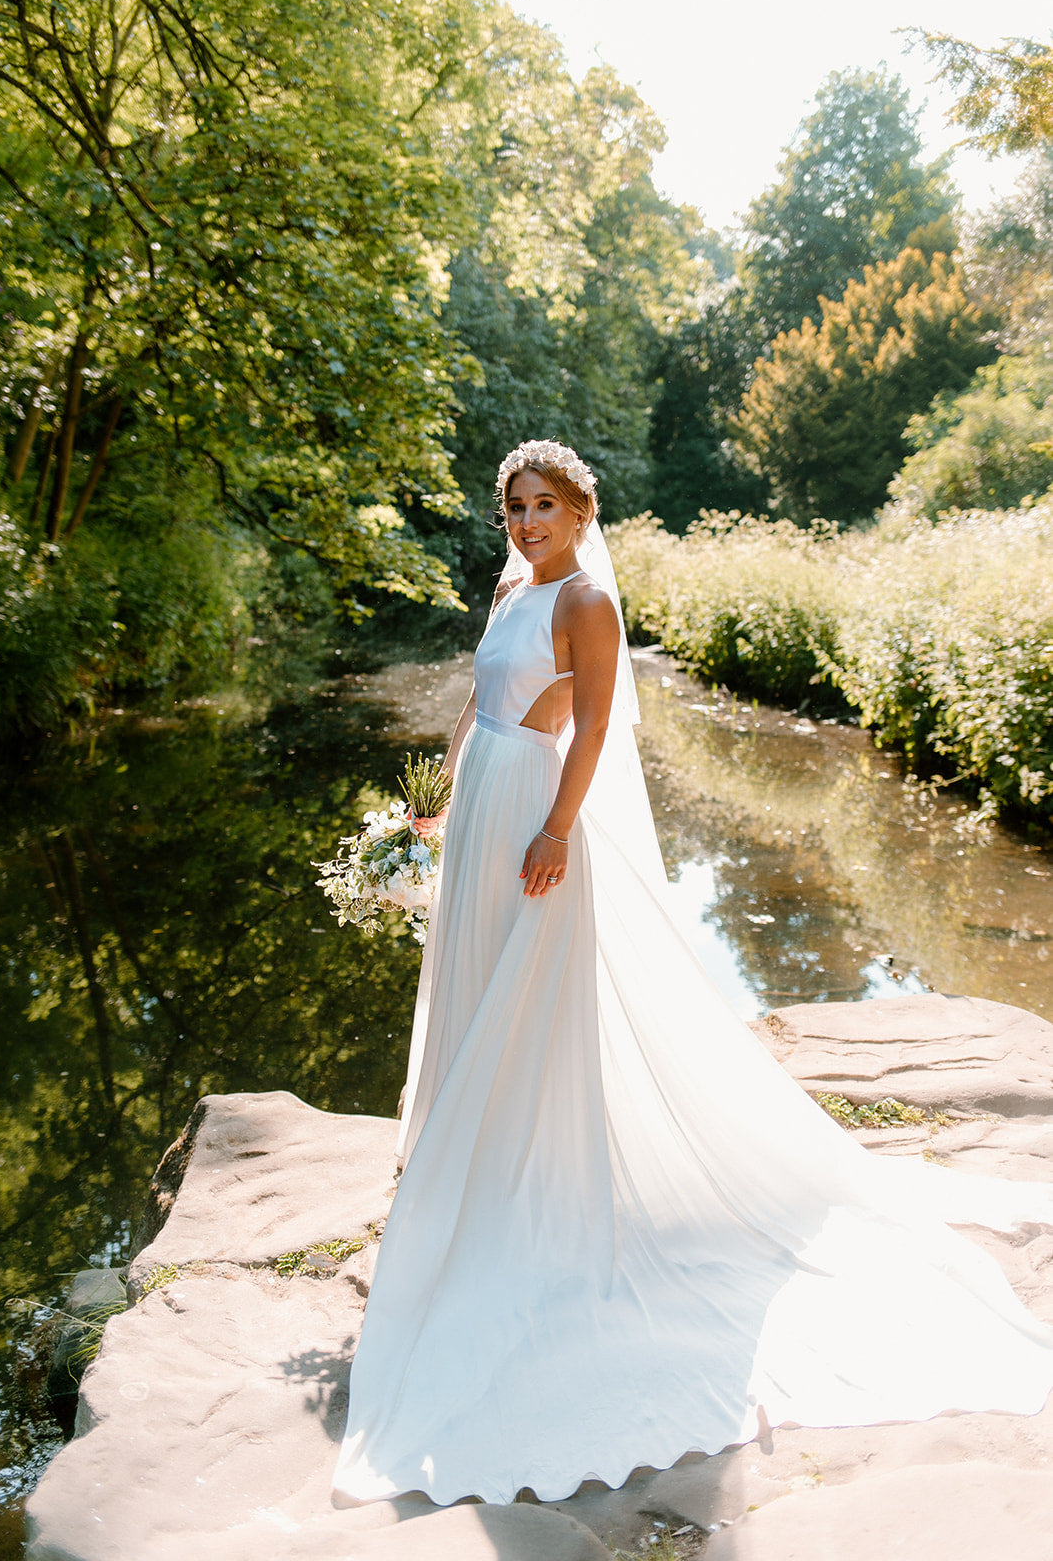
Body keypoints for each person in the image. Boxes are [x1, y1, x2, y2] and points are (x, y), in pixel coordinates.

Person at [332, 440, 1053, 1509]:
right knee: (474, 982)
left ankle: (528, 1186)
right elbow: (472, 710)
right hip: (480, 801)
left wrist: (555, 828)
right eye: (515, 507)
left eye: (545, 505)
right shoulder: (508, 590)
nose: (527, 523)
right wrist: (432, 810)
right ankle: (460, 1160)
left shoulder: (584, 601)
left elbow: (590, 729)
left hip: (532, 811)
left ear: (581, 513)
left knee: (530, 1005)